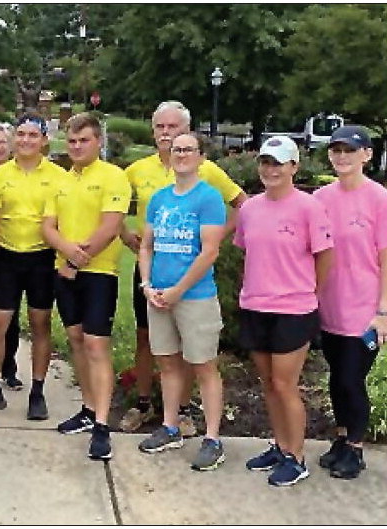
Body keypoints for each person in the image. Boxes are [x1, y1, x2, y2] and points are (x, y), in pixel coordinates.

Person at [120, 100, 247, 435]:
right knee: (148, 340)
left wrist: (214, 238)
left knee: (194, 351)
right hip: (154, 272)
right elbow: (112, 202)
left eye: (173, 127)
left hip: (191, 276)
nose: (166, 134)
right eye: (160, 127)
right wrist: (126, 236)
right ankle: (145, 402)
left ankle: (187, 411)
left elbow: (241, 204)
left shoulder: (207, 176)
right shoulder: (138, 170)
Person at [236, 136, 333, 487]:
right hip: (255, 305)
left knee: (285, 384)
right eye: (265, 162)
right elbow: (249, 251)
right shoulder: (249, 209)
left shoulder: (309, 208)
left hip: (294, 308)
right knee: (268, 384)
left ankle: (297, 456)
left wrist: (311, 293)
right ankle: (280, 446)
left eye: (278, 163)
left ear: (294, 167)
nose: (270, 169)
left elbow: (325, 256)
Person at [135, 132, 228, 471]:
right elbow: (146, 246)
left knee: (203, 367)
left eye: (189, 150)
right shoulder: (159, 199)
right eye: (177, 150)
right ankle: (170, 427)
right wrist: (147, 284)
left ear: (201, 157)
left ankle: (213, 438)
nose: (182, 155)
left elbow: (210, 251)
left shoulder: (209, 198)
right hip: (158, 295)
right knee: (168, 365)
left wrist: (179, 289)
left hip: (196, 297)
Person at [41, 113, 131, 460]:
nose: (77, 146)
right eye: (72, 141)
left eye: (84, 140)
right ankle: (88, 408)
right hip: (63, 271)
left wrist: (76, 261)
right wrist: (66, 255)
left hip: (98, 273)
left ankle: (103, 425)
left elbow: (111, 228)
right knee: (76, 339)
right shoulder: (62, 181)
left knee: (96, 344)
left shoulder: (114, 177)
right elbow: (48, 227)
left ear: (99, 142)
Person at [0, 112, 67, 421]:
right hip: (6, 256)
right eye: (21, 135)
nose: (26, 140)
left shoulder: (59, 176)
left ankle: (37, 391)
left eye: (33, 135)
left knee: (40, 323)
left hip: (42, 258)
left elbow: (64, 223)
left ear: (44, 140)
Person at [314, 125, 387, 479]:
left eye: (349, 150)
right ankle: (342, 439)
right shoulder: (321, 198)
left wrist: (385, 311)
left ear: (367, 155)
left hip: (365, 310)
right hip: (329, 305)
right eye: (336, 150)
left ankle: (356, 449)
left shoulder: (380, 199)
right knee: (335, 378)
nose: (342, 156)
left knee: (351, 378)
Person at [0, 121, 24, 391]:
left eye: (4, 142)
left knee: (10, 314)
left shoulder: (18, 174)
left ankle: (8, 366)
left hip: (11, 251)